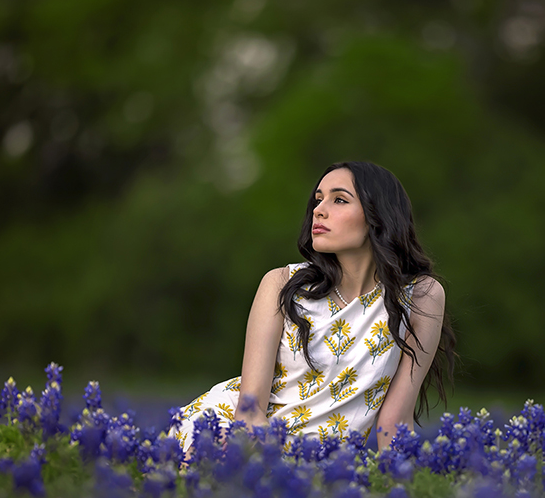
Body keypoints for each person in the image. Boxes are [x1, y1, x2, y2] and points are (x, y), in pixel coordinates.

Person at [170, 161, 456, 453]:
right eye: (318, 199)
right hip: (233, 431)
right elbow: (249, 409)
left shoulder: (421, 296)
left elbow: (394, 422)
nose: (319, 209)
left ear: (378, 216)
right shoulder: (282, 284)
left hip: (324, 459)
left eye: (340, 199)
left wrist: (399, 484)